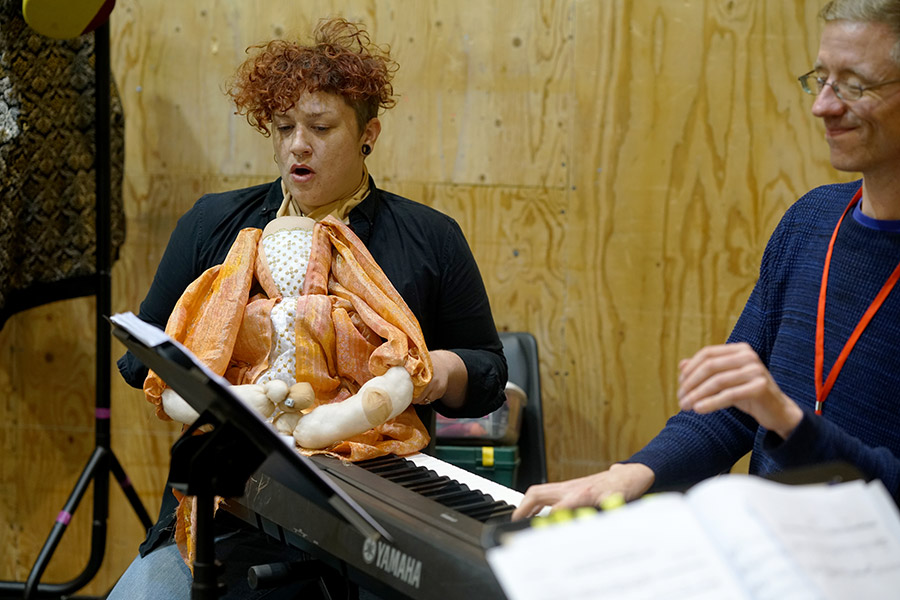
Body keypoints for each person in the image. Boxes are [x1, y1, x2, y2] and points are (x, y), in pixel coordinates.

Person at [110, 18, 506, 599]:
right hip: (234, 501)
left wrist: (427, 373)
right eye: (284, 127)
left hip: (376, 494)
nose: (298, 143)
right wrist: (200, 375)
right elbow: (136, 360)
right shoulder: (213, 223)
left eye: (320, 127)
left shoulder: (430, 237)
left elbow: (489, 373)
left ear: (368, 133)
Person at [514, 0, 900, 521]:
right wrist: (628, 474)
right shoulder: (811, 221)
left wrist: (789, 421)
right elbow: (734, 410)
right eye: (822, 78)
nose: (823, 106)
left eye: (854, 84)